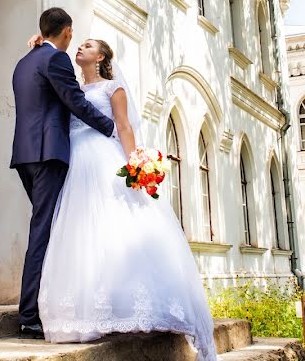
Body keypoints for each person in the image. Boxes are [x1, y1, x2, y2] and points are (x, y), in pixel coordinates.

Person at [36, 37, 219, 361]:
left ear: (102, 56)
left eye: (89, 45)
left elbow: (123, 126)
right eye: (81, 44)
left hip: (105, 158)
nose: (80, 47)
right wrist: (39, 44)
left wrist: (135, 164)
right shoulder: (75, 88)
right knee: (82, 231)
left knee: (117, 226)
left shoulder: (113, 89)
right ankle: (90, 310)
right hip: (77, 162)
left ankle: (133, 306)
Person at [10, 8, 116, 339]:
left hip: (25, 154)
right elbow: (74, 101)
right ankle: (29, 316)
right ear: (67, 32)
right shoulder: (56, 61)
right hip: (49, 154)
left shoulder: (24, 61)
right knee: (43, 231)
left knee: (53, 228)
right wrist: (109, 126)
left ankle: (49, 302)